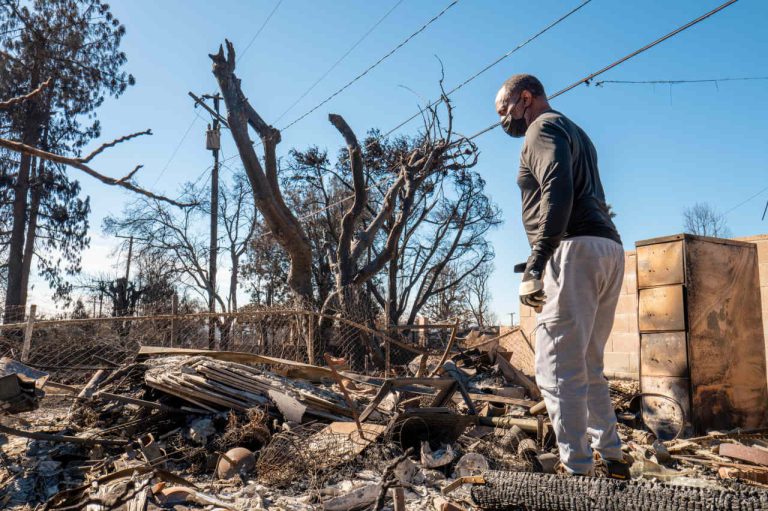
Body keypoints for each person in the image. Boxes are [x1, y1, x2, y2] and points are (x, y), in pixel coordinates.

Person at [495, 74, 629, 478]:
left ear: (526, 97)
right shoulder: (577, 132)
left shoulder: (541, 127)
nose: (505, 120)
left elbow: (558, 189)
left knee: (554, 369)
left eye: (505, 110)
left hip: (574, 250)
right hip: (607, 248)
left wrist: (537, 262)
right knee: (588, 365)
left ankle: (578, 472)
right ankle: (614, 460)